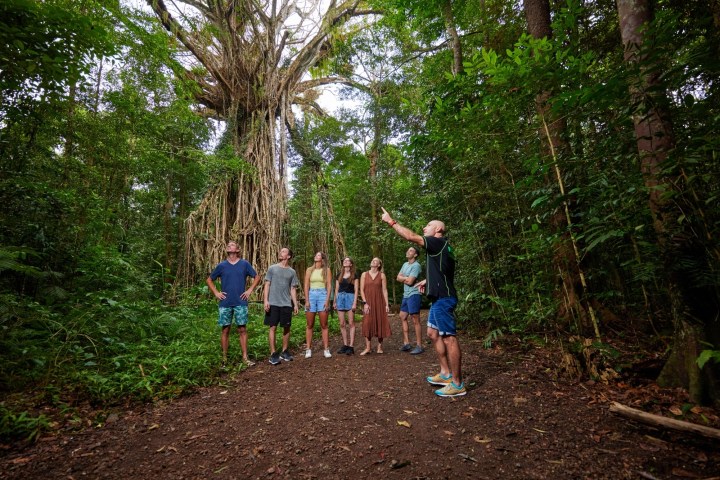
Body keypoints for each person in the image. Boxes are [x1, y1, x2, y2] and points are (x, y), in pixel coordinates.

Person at [380, 207, 465, 397]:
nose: (424, 227)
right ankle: (445, 373)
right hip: (438, 297)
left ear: (437, 230)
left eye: (428, 225)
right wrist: (428, 281)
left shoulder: (436, 242)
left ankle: (458, 384)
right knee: (433, 333)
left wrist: (391, 221)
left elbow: (411, 237)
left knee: (449, 337)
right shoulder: (445, 248)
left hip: (444, 299)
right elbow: (446, 271)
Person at [206, 241, 262, 368]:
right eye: (228, 245)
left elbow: (257, 277)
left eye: (232, 245)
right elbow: (209, 280)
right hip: (225, 303)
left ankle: (245, 357)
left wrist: (249, 290)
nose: (229, 246)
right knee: (225, 329)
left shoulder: (244, 264)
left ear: (237, 250)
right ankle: (224, 359)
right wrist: (216, 292)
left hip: (240, 302)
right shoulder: (222, 265)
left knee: (242, 329)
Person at [264, 247, 300, 365]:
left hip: (286, 304)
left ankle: (285, 351)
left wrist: (295, 304)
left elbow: (293, 288)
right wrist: (266, 300)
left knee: (286, 327)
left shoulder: (292, 272)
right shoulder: (272, 268)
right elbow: (267, 284)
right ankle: (273, 353)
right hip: (273, 302)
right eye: (281, 251)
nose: (281, 252)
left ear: (288, 256)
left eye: (284, 251)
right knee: (273, 327)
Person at [359, 257, 391, 355]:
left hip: (379, 302)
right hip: (368, 302)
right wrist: (365, 303)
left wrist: (386, 304)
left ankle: (379, 347)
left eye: (376, 260)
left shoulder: (382, 275)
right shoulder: (364, 274)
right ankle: (368, 347)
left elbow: (384, 290)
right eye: (372, 260)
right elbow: (361, 290)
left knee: (380, 322)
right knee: (367, 323)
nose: (373, 261)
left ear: (379, 265)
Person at [304, 251, 333, 358]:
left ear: (322, 259)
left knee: (324, 324)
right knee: (309, 324)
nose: (316, 256)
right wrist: (307, 300)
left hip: (322, 295)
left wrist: (327, 300)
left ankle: (326, 349)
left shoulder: (327, 270)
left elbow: (329, 286)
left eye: (319, 255)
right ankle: (308, 349)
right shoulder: (309, 270)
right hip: (311, 295)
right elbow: (306, 285)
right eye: (315, 255)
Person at [397, 246, 424, 355]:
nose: (408, 251)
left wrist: (404, 278)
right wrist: (405, 278)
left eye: (411, 250)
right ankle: (406, 343)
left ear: (415, 255)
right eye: (408, 250)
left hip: (414, 294)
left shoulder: (416, 265)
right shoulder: (405, 264)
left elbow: (410, 281)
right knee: (402, 316)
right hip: (406, 294)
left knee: (415, 319)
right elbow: (398, 277)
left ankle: (419, 345)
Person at [334, 256, 360, 355]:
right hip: (340, 297)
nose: (345, 261)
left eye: (348, 261)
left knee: (351, 322)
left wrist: (354, 302)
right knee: (342, 323)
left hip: (350, 297)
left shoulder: (354, 275)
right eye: (344, 260)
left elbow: (356, 289)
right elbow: (336, 289)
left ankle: (351, 346)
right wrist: (335, 301)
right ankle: (345, 345)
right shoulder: (339, 275)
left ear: (351, 264)